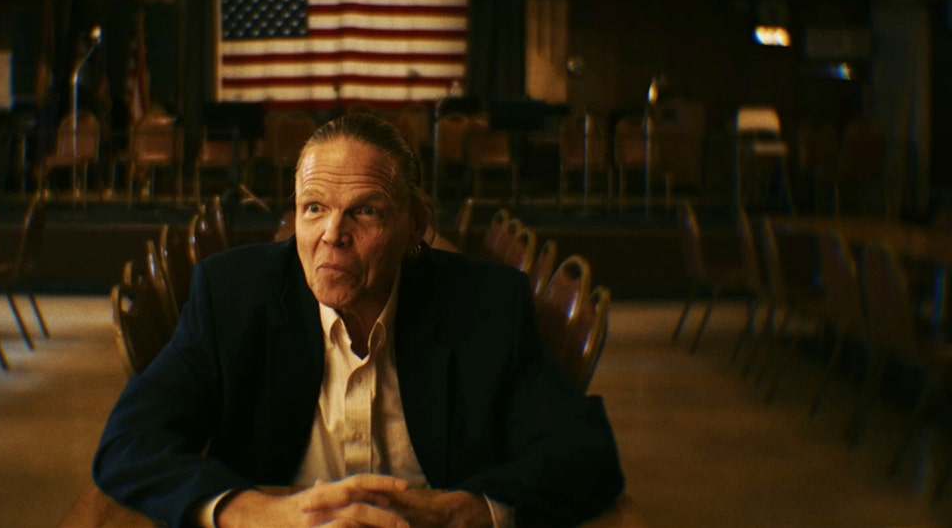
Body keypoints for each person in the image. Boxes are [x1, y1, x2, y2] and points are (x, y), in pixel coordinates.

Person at [93, 112, 625, 527]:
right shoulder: (232, 296)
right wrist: (252, 513)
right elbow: (128, 442)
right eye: (314, 208)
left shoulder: (485, 304)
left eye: (365, 211)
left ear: (415, 224)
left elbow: (585, 452)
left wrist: (462, 512)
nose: (332, 234)